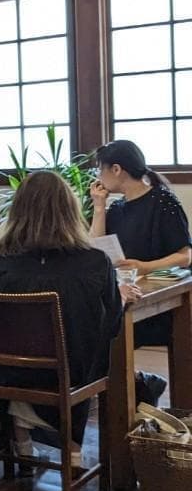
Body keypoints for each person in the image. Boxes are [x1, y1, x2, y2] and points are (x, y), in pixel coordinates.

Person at [0, 171, 139, 460]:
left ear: (18, 210)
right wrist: (118, 297)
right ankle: (73, 452)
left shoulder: (1, 260)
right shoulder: (94, 262)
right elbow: (109, 325)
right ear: (70, 209)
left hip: (11, 370)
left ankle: (22, 441)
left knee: (24, 345)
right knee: (82, 343)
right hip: (72, 372)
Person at [90, 139, 192, 348]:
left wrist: (144, 266)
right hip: (127, 290)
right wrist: (99, 207)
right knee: (95, 320)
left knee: (106, 326)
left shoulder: (163, 201)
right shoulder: (117, 207)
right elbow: (96, 249)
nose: (98, 176)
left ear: (116, 169)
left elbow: (185, 256)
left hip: (159, 299)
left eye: (100, 170)